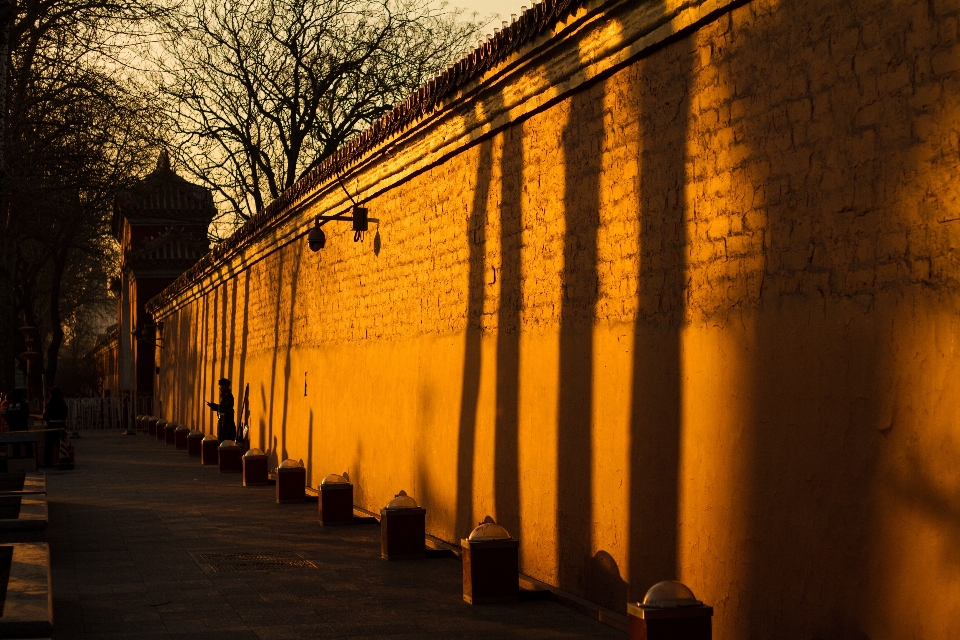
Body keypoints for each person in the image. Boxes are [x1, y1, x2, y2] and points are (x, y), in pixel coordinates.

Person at [206, 378, 236, 442]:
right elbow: (222, 407)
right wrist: (214, 406)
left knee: (224, 438)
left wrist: (224, 422)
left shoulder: (228, 396)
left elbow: (227, 409)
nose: (220, 388)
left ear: (225, 386)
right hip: (222, 419)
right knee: (221, 438)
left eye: (221, 386)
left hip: (226, 421)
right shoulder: (223, 396)